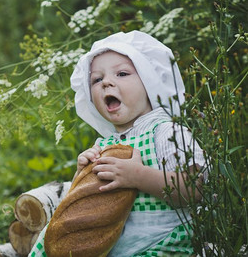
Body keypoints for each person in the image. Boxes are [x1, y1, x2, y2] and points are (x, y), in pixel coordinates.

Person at [29, 30, 205, 256]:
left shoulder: (166, 132)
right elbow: (89, 203)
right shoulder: (104, 145)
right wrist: (83, 175)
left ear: (149, 81)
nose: (107, 83)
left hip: (162, 243)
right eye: (97, 79)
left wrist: (137, 176)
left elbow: (195, 190)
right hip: (113, 247)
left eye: (122, 73)